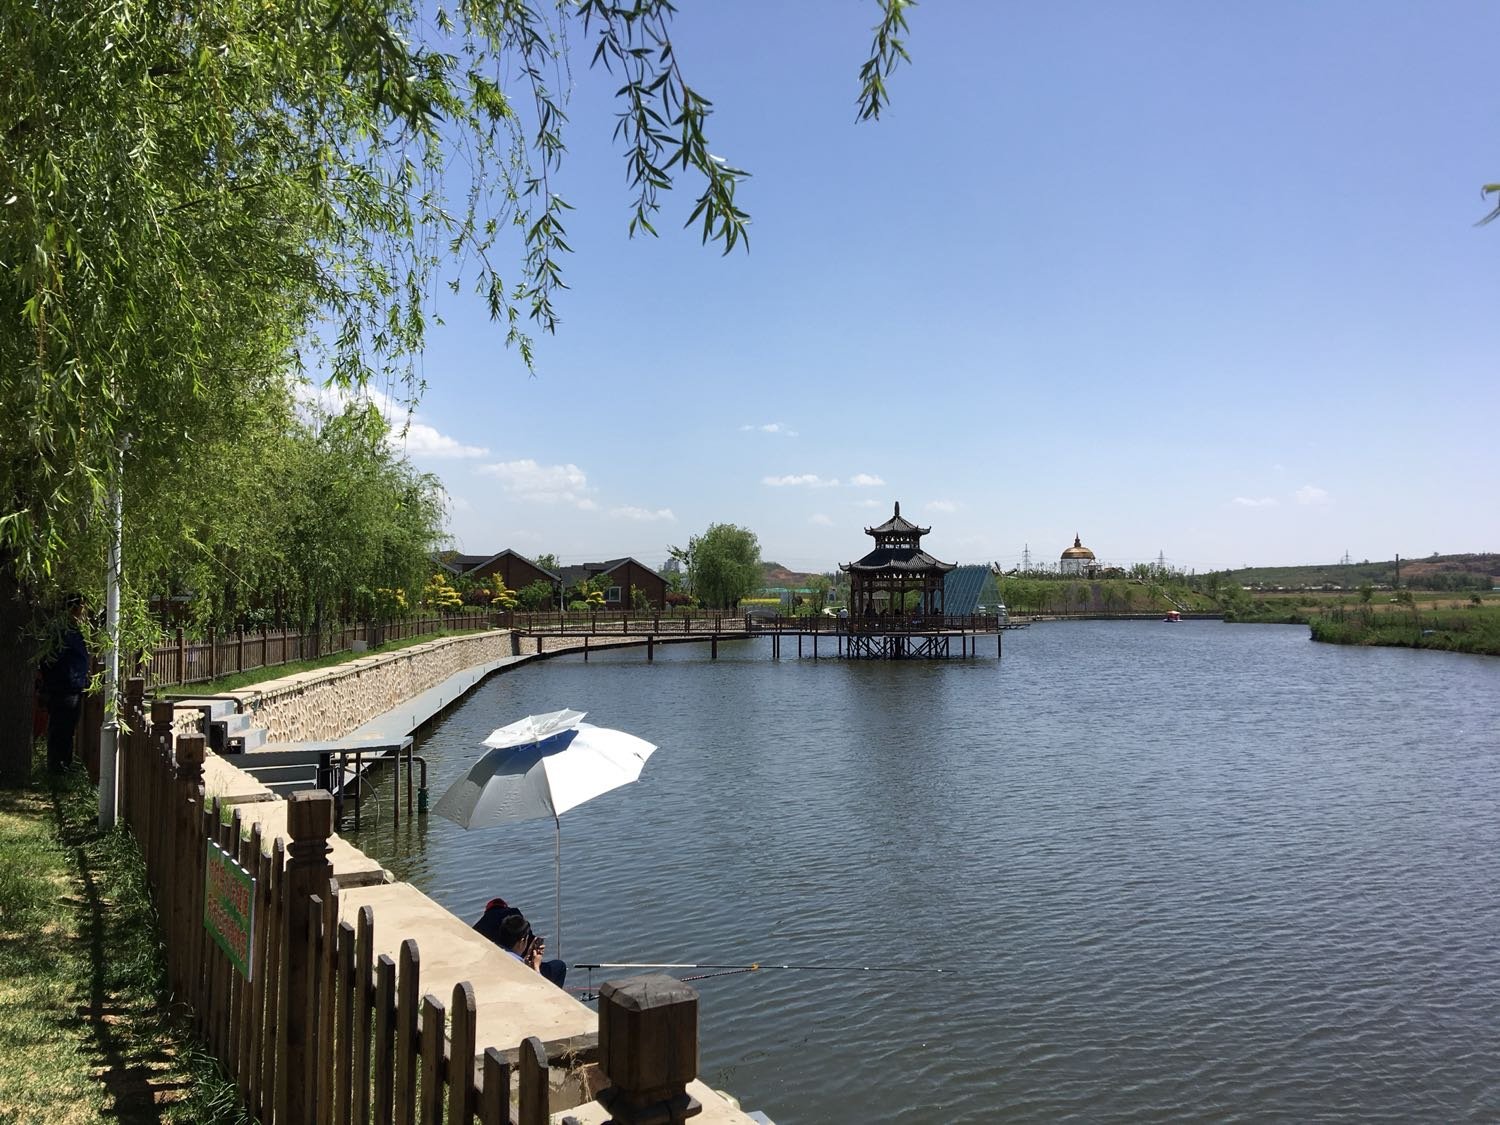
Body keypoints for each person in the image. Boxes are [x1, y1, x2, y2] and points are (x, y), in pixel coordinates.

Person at [40, 599, 89, 774]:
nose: (84, 614)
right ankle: (58, 769)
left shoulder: (72, 630)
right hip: (64, 688)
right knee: (61, 730)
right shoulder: (62, 632)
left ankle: (63, 766)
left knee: (67, 730)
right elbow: (50, 660)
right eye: (82, 609)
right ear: (74, 609)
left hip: (72, 686)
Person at [475, 901, 566, 987]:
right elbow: (539, 989)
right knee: (559, 965)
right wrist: (536, 966)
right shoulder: (517, 967)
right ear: (522, 941)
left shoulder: (493, 952)